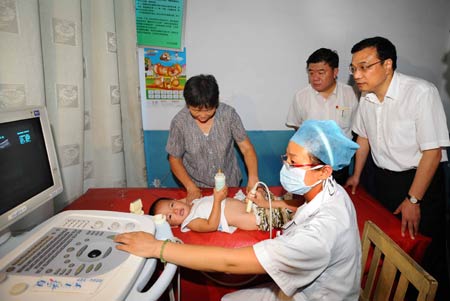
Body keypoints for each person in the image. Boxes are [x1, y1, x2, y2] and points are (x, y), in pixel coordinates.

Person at [116, 120, 361, 300]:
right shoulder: (331, 191)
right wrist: (269, 204)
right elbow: (301, 207)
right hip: (306, 286)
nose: (285, 166)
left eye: (293, 162)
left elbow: (228, 263)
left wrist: (158, 248)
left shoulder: (320, 234)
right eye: (286, 158)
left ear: (325, 170)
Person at [346, 36, 450, 300]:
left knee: (425, 250)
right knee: (390, 248)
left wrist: (413, 199)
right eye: (353, 68)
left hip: (420, 183)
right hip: (383, 180)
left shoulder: (421, 93)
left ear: (388, 64)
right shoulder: (367, 97)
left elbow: (432, 152)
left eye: (364, 66)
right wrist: (356, 175)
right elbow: (363, 138)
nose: (357, 75)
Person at [166, 74, 259, 203]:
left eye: (209, 110)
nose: (203, 115)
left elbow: (247, 149)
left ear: (216, 102)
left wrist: (253, 177)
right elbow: (174, 159)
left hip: (229, 185)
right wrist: (190, 187)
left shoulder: (229, 115)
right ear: (188, 104)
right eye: (196, 110)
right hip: (196, 187)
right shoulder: (179, 123)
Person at [286, 48, 359, 185]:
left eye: (321, 72)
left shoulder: (351, 95)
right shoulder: (301, 96)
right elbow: (297, 126)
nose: (315, 78)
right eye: (311, 72)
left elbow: (359, 130)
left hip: (340, 164)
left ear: (335, 72)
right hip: (309, 164)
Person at [149, 189, 295, 233]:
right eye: (169, 216)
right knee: (288, 211)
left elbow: (184, 200)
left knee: (273, 196)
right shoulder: (190, 222)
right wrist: (218, 200)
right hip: (252, 217)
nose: (174, 211)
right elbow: (210, 226)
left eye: (172, 205)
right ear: (173, 226)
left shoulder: (194, 203)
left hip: (250, 205)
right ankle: (300, 210)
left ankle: (296, 203)